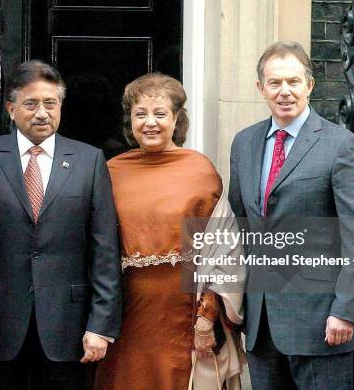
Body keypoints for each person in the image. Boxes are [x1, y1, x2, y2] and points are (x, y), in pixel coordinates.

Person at [0, 59, 121, 390]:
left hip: (71, 327)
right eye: (30, 103)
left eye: (50, 103)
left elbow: (104, 248)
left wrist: (100, 325)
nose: (41, 113)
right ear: (11, 108)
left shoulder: (89, 161)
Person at [228, 41, 354, 389]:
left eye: (293, 82)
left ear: (309, 85)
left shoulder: (341, 145)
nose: (285, 92)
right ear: (260, 88)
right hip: (262, 324)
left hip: (322, 322)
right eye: (275, 83)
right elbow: (243, 223)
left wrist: (345, 310)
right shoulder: (244, 143)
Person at [94, 73, 245, 390]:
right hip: (125, 316)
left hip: (184, 317)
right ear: (130, 120)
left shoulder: (199, 171)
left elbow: (224, 250)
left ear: (177, 119)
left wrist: (207, 317)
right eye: (140, 114)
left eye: (160, 113)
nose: (150, 122)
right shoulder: (109, 172)